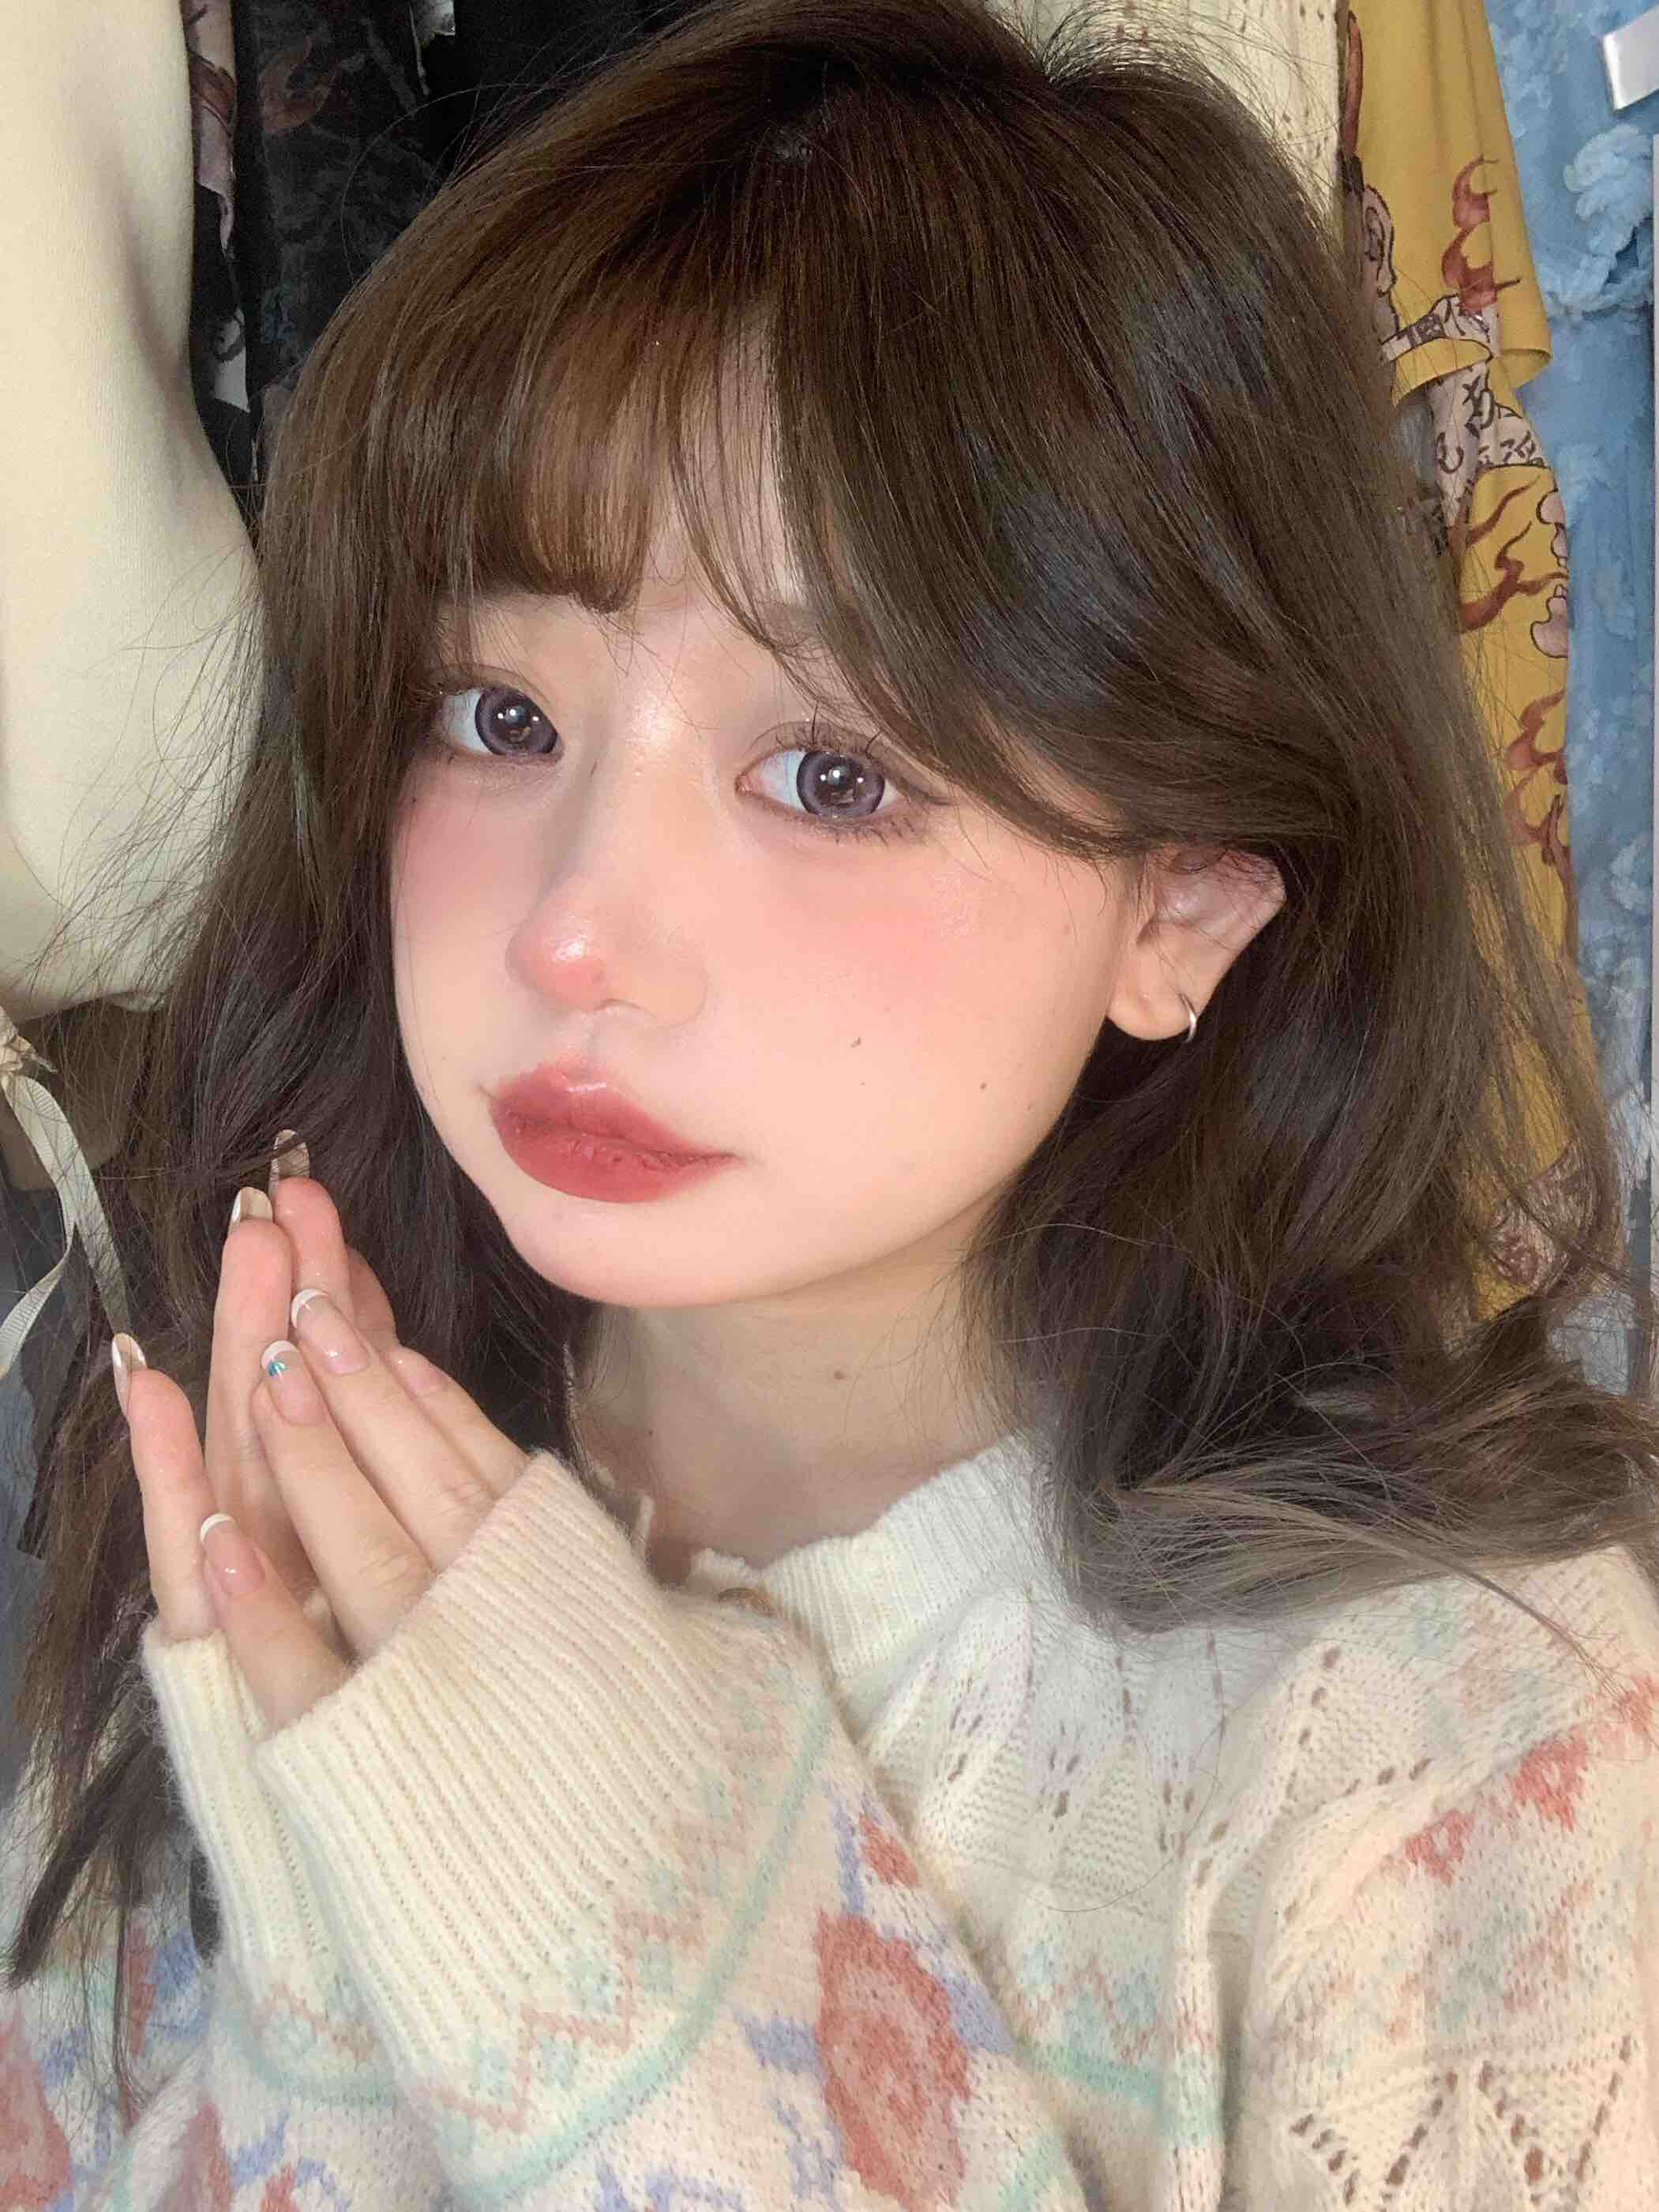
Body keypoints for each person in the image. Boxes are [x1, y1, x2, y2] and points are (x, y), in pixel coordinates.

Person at [4, 0, 1657, 2203]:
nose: (576, 932)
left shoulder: (1461, 1740)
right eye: (498, 715)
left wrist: (656, 1985)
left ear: (1185, 896)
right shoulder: (261, 1513)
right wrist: (315, 2018)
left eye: (832, 773)